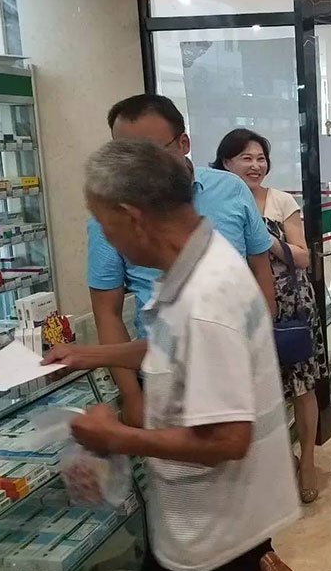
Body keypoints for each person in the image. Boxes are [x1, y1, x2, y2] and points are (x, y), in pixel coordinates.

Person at [48, 139, 300, 571]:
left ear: (132, 218)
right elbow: (175, 345)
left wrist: (116, 436)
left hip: (213, 537)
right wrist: (90, 354)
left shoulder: (206, 298)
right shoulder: (198, 258)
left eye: (105, 225)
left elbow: (228, 440)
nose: (106, 239)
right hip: (211, 524)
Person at [87, 95, 276, 431]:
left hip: (231, 373)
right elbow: (117, 317)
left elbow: (225, 442)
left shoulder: (204, 291)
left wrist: (114, 437)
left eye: (148, 153)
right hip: (161, 371)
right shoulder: (182, 268)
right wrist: (129, 394)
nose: (135, 169)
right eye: (124, 155)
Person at [214, 128, 328, 504]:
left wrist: (265, 238)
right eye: (246, 158)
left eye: (261, 158)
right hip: (238, 308)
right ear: (225, 162)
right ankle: (278, 460)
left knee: (302, 386)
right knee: (258, 390)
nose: (255, 165)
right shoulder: (215, 202)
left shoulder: (280, 200)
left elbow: (303, 256)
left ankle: (307, 461)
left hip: (290, 305)